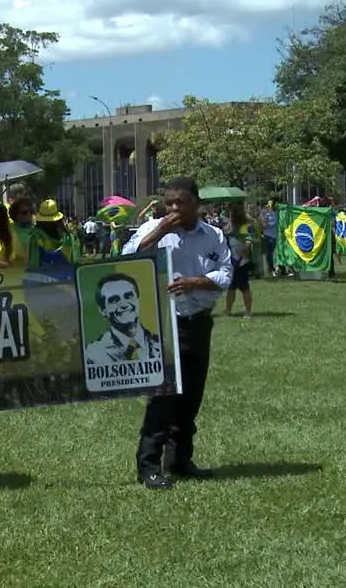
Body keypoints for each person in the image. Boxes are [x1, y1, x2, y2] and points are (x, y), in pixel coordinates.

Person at [123, 176, 232, 490]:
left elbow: (225, 273)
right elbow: (128, 258)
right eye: (168, 202)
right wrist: (160, 231)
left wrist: (195, 282)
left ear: (196, 202)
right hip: (165, 324)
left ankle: (180, 460)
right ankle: (148, 466)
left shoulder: (212, 234)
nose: (173, 208)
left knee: (191, 398)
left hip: (199, 322)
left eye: (180, 202)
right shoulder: (153, 230)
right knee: (164, 397)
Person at [83, 273, 162, 365]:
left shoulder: (161, 343)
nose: (124, 304)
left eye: (129, 296)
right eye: (114, 300)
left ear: (138, 300)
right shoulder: (93, 354)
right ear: (103, 310)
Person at [224, 203, 254, 318]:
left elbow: (249, 240)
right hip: (232, 261)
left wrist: (245, 249)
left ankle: (248, 311)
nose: (230, 214)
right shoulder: (230, 225)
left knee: (244, 287)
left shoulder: (245, 226)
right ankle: (228, 310)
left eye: (231, 212)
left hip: (242, 262)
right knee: (231, 287)